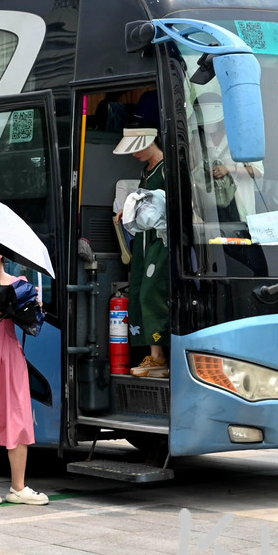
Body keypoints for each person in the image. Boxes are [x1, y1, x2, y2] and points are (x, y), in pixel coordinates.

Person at [0, 244, 48, 507]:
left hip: (9, 354)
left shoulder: (20, 285)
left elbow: (31, 323)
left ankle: (18, 487)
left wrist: (33, 308)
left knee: (17, 415)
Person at [113, 128, 170, 378]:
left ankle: (161, 356)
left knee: (152, 292)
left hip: (161, 238)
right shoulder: (146, 170)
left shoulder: (168, 168)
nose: (134, 154)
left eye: (137, 148)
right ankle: (154, 355)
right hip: (144, 238)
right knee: (138, 289)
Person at [193, 93, 264, 222]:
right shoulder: (198, 140)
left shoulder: (242, 137)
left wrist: (229, 169)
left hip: (239, 206)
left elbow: (258, 171)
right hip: (210, 209)